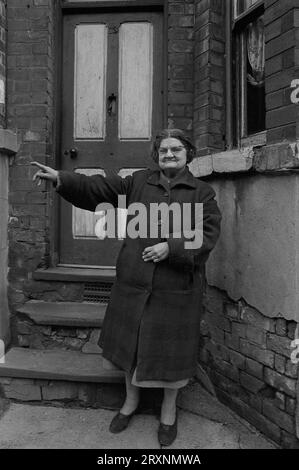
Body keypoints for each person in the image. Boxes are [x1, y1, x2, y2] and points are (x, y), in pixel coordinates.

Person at [31, 128, 221, 446]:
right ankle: (130, 403)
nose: (169, 155)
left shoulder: (202, 193)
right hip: (133, 282)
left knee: (172, 353)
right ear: (156, 156)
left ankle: (168, 412)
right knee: (129, 348)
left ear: (189, 153)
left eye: (176, 149)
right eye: (163, 150)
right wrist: (63, 178)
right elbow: (100, 188)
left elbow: (209, 231)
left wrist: (171, 248)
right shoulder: (137, 183)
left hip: (177, 287)